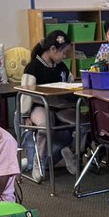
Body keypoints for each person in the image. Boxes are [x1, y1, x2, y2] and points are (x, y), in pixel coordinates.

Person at [19, 29, 78, 178]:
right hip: (38, 107)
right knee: (46, 125)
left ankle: (69, 151)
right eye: (63, 52)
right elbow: (26, 94)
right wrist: (25, 115)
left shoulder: (62, 67)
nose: (65, 56)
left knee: (81, 123)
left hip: (60, 106)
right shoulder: (33, 67)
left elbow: (71, 84)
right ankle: (40, 162)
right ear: (52, 49)